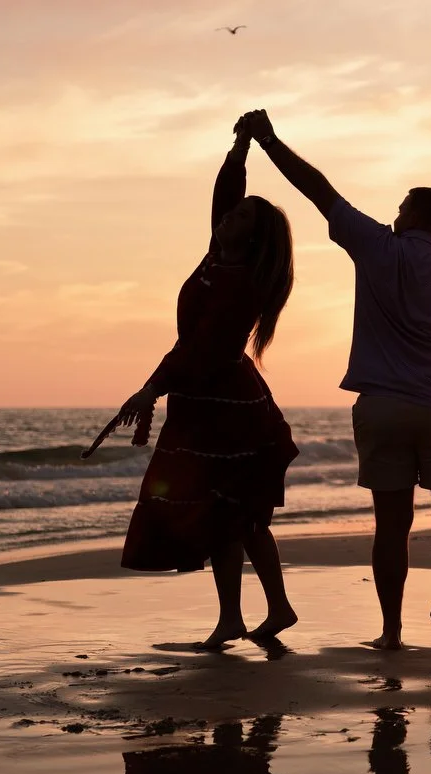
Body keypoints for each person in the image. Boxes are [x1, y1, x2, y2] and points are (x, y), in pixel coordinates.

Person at [240, 109, 431, 656]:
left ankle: (391, 631)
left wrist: (269, 140)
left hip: (383, 407)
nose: (395, 212)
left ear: (418, 217)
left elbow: (320, 191)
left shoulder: (377, 248)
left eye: (403, 205)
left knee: (392, 522)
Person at [113, 114, 300, 650]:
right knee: (225, 516)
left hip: (229, 411)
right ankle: (237, 619)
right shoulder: (219, 255)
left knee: (239, 517)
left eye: (240, 216)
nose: (228, 217)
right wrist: (240, 146)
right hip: (202, 404)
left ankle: (272, 609)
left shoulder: (243, 284)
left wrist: (150, 388)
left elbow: (199, 348)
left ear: (253, 233)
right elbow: (225, 194)